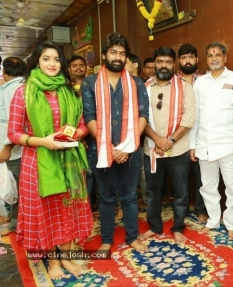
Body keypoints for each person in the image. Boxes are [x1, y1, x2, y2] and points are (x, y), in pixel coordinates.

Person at [7, 41, 93, 280]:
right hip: (38, 163)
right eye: (46, 59)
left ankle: (65, 257)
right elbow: (13, 133)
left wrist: (77, 134)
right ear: (36, 61)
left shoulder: (68, 90)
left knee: (66, 212)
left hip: (69, 162)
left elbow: (82, 123)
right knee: (45, 214)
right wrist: (43, 141)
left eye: (56, 59)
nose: (52, 64)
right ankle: (53, 261)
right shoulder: (24, 92)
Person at [81, 32, 149, 253]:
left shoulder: (136, 83)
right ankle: (107, 240)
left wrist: (127, 146)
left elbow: (143, 115)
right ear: (104, 55)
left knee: (130, 197)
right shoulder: (90, 83)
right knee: (107, 197)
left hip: (131, 151)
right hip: (100, 150)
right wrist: (108, 147)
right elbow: (89, 117)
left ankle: (132, 238)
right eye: (113, 52)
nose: (118, 57)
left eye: (122, 53)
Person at [139, 47, 196, 244]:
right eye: (160, 61)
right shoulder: (143, 88)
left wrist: (169, 140)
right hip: (152, 149)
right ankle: (154, 226)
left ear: (174, 64)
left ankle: (178, 227)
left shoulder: (185, 87)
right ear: (154, 63)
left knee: (181, 191)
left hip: (178, 148)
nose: (164, 65)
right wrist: (157, 139)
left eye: (168, 62)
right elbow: (140, 118)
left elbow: (189, 119)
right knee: (153, 191)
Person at [189, 42, 233, 240]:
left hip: (230, 143)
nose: (214, 58)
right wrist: (192, 145)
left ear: (225, 58)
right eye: (211, 55)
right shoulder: (200, 82)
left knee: (232, 187)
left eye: (218, 55)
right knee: (208, 187)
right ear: (206, 59)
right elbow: (195, 115)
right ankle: (213, 220)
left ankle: (231, 224)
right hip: (204, 144)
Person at [177, 43, 208, 223]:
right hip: (180, 137)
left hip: (202, 136)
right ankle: (180, 210)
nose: (187, 61)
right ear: (178, 61)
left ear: (196, 59)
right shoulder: (173, 81)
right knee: (180, 177)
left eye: (190, 57)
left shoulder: (206, 80)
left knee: (201, 176)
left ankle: (200, 208)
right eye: (183, 57)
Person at [0, 57, 26, 235]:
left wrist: (6, 148)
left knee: (16, 187)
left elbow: (13, 122)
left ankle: (16, 224)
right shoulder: (22, 85)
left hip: (15, 150)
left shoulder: (12, 89)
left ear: (5, 71)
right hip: (16, 147)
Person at [68, 55, 98, 211]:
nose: (78, 68)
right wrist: (79, 138)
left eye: (81, 65)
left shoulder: (92, 85)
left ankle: (89, 205)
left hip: (91, 135)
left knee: (90, 171)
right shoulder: (66, 88)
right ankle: (77, 206)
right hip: (72, 138)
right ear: (69, 68)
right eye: (75, 65)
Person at [125, 53, 148, 206]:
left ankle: (146, 202)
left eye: (124, 60)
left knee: (143, 175)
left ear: (134, 65)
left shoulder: (141, 84)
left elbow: (144, 113)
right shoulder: (118, 83)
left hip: (141, 137)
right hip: (120, 138)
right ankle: (123, 205)